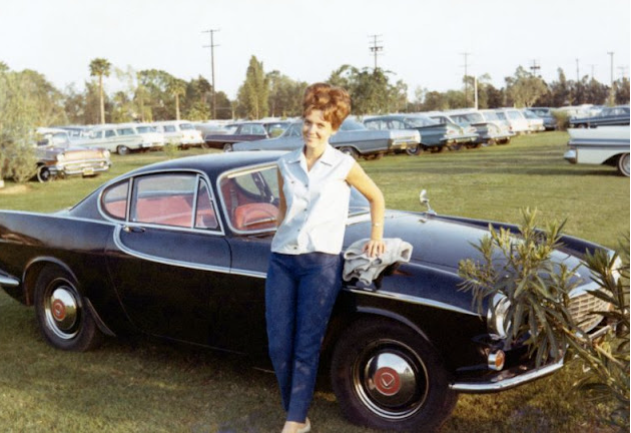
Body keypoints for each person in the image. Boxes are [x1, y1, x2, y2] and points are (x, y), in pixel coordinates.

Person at [265, 83, 386, 433]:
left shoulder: (344, 164)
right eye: (308, 122)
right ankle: (297, 414)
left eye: (320, 125)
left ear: (334, 128)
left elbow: (377, 197)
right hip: (282, 262)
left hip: (321, 264)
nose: (311, 130)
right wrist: (276, 238)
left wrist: (376, 236)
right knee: (278, 344)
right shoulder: (285, 163)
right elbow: (283, 212)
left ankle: (294, 421)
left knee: (306, 344)